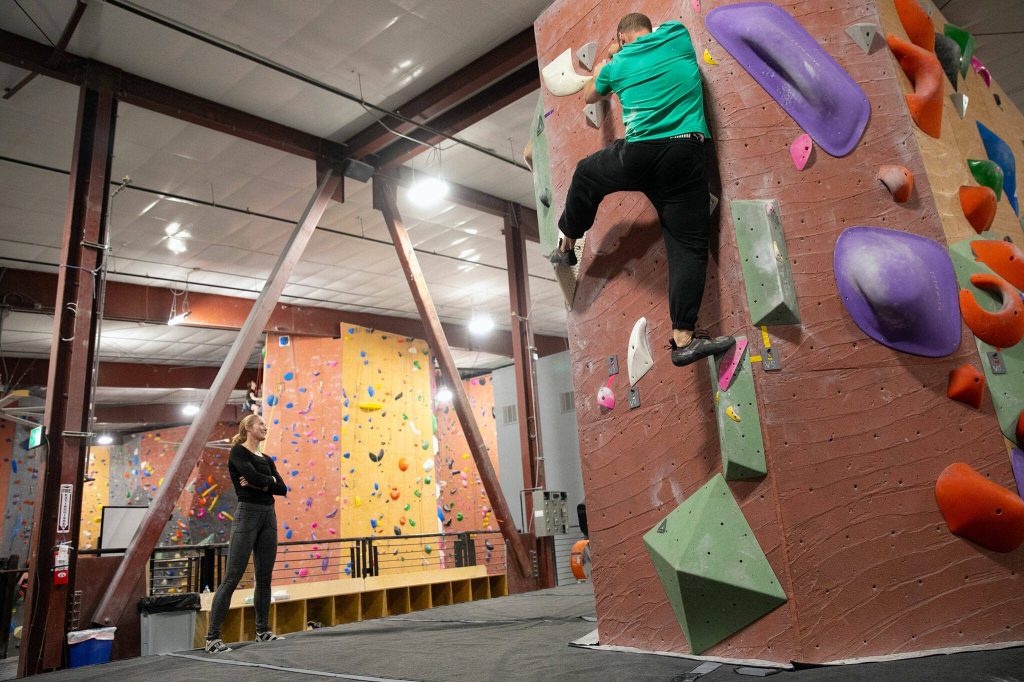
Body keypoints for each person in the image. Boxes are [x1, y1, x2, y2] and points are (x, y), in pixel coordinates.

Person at [552, 13, 735, 367]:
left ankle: (566, 245)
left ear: (621, 37)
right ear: (647, 30)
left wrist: (609, 54)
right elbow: (658, 31)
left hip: (640, 155)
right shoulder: (677, 36)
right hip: (685, 153)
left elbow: (590, 94)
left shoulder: (616, 65)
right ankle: (683, 338)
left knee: (586, 174)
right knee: (688, 247)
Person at [204, 413, 288, 653]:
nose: (265, 427)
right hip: (248, 514)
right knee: (233, 576)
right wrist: (265, 481)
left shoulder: (268, 459)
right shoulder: (238, 452)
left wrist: (262, 482)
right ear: (249, 427)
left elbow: (281, 488)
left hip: (268, 515)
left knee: (264, 577)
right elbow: (251, 476)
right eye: (261, 423)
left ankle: (263, 632)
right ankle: (212, 638)